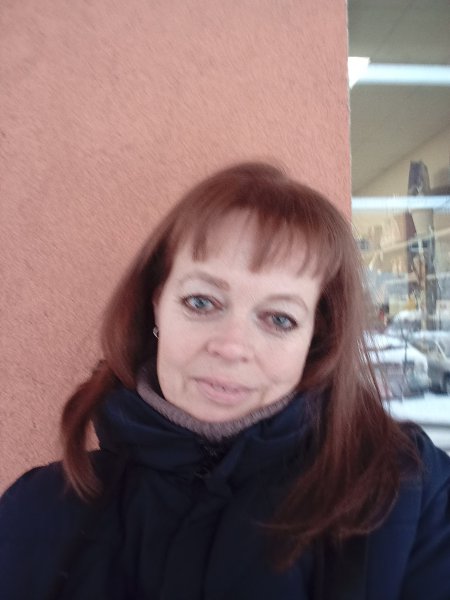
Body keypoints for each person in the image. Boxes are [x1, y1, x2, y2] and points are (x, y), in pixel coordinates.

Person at [1, 162, 449, 600]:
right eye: (201, 302)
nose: (232, 347)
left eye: (279, 318)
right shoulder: (38, 509)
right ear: (157, 305)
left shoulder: (409, 491)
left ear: (316, 337)